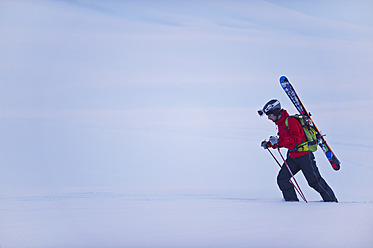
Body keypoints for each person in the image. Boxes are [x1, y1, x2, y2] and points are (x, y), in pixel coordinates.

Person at [259, 99, 338, 202]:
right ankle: (292, 204)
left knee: (314, 182)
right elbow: (285, 141)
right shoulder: (280, 124)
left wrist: (278, 141)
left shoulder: (291, 121)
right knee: (282, 179)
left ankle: (332, 202)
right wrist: (270, 144)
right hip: (293, 156)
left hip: (304, 156)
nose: (268, 117)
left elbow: (296, 139)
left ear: (276, 111)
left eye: (269, 114)